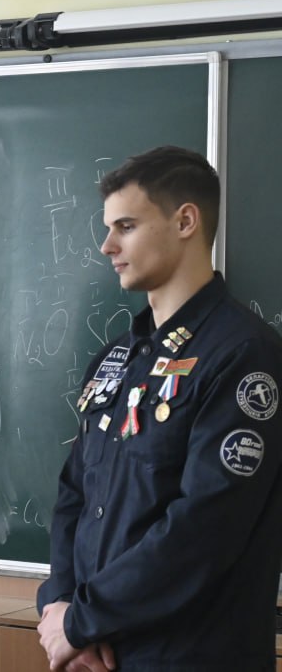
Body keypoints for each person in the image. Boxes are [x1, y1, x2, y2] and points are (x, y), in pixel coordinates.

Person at [37, 146, 282, 672]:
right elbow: (74, 493)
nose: (107, 246)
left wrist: (82, 622)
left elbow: (204, 528)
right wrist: (60, 606)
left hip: (190, 656)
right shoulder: (118, 358)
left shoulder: (242, 354)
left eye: (125, 226)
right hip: (97, 652)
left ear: (185, 221)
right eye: (108, 228)